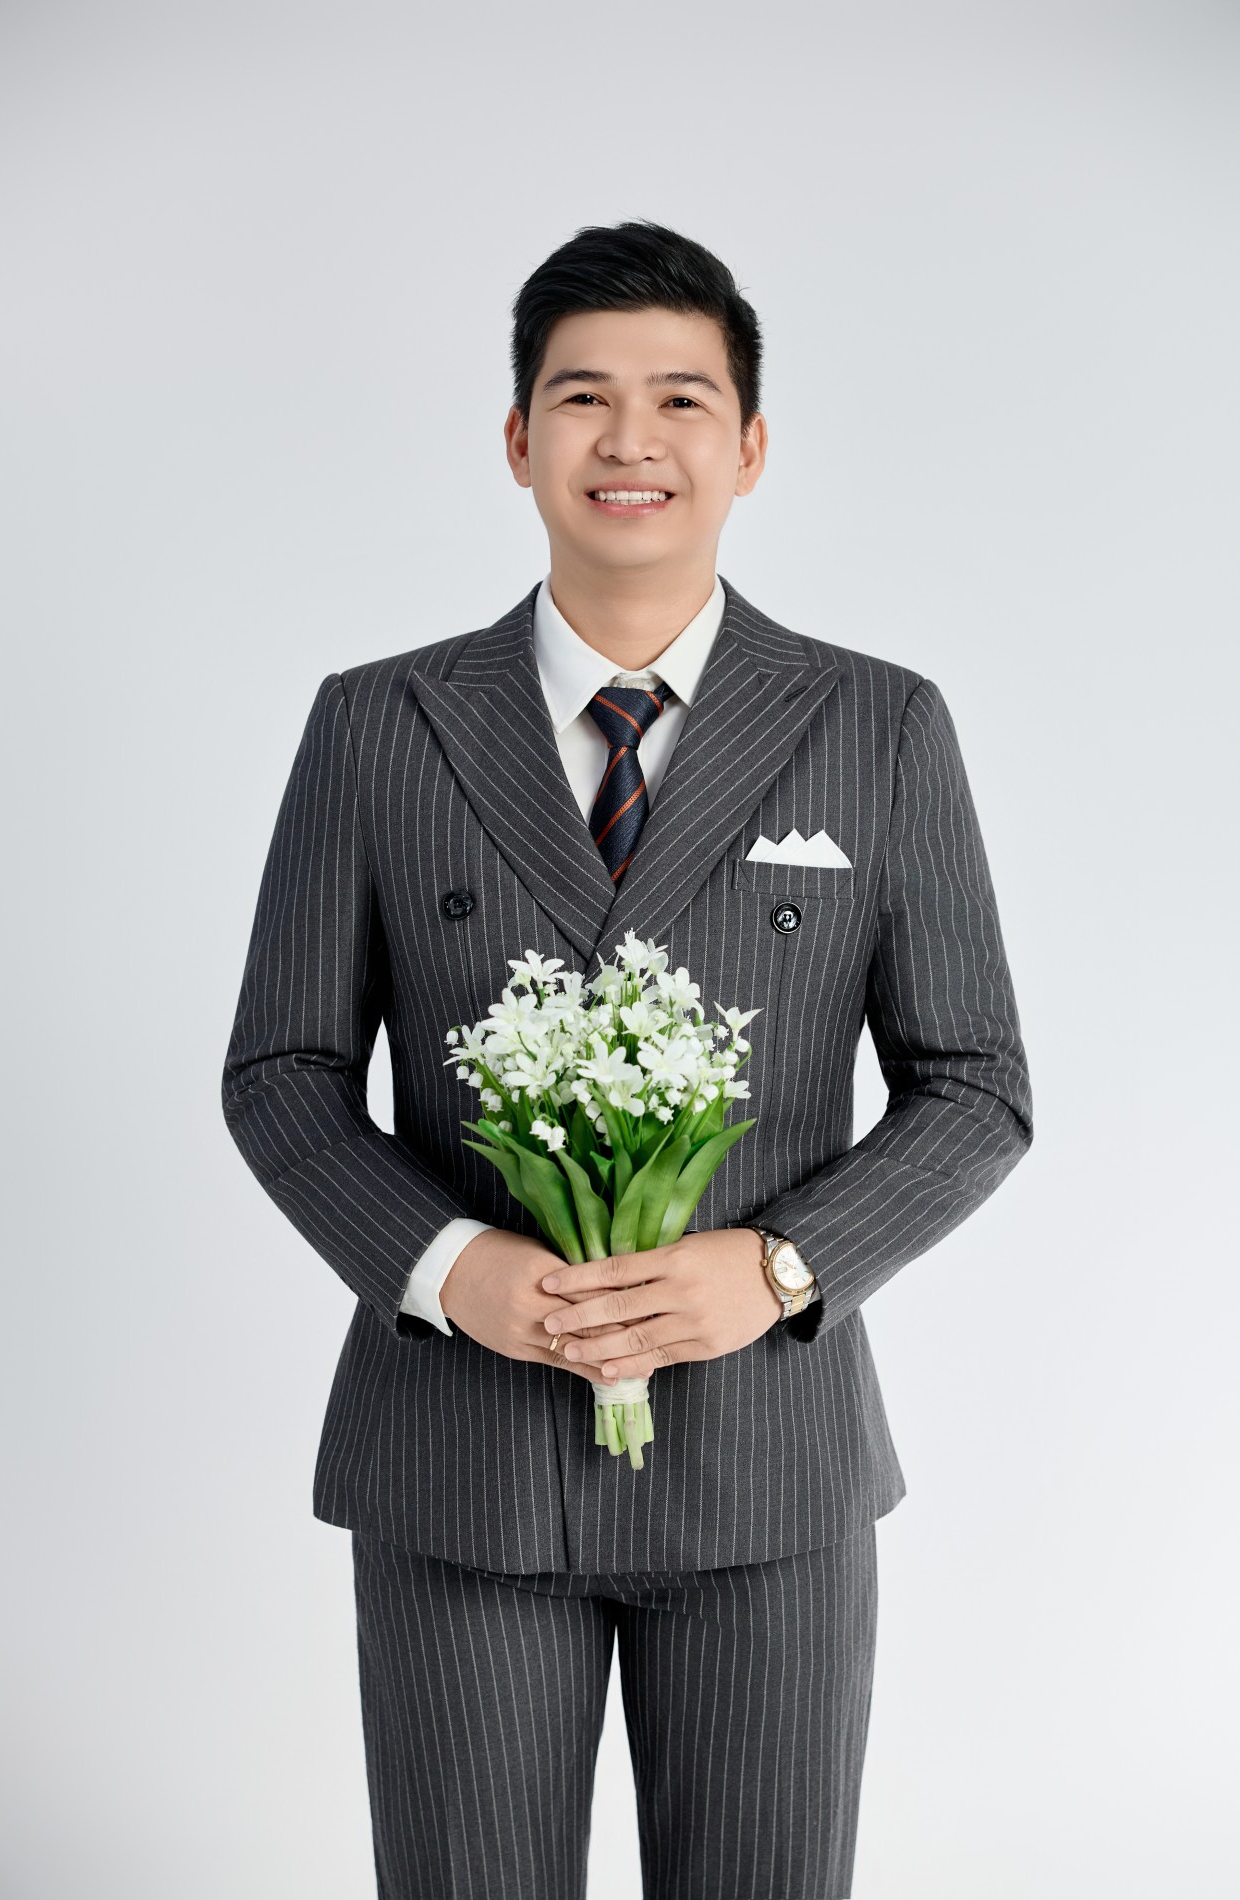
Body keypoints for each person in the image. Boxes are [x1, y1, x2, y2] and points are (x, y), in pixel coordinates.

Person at [221, 218, 1033, 1900]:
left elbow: (974, 1084)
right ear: (519, 440)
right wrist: (451, 1268)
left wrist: (780, 1266)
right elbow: (284, 1070)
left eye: (681, 398)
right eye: (584, 397)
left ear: (751, 445)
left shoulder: (877, 725)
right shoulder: (380, 723)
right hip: (458, 1461)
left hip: (768, 1464)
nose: (630, 438)